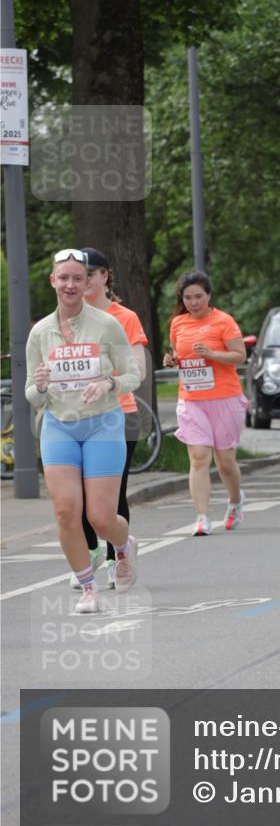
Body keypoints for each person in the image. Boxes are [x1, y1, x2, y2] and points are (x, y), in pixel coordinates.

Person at [25, 248, 141, 614]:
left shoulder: (106, 324)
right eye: (64, 278)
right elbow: (31, 392)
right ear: (53, 282)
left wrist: (109, 383)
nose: (71, 284)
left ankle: (122, 546)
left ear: (88, 281)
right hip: (59, 425)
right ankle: (88, 586)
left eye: (78, 277)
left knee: (100, 517)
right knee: (65, 510)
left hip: (103, 424)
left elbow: (133, 374)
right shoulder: (40, 332)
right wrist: (40, 385)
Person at [69, 247, 149, 591]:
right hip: (75, 418)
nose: (83, 281)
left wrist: (107, 382)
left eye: (90, 274)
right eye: (77, 275)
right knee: (77, 499)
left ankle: (120, 556)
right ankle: (90, 554)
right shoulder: (67, 318)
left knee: (111, 497)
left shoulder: (124, 317)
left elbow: (140, 370)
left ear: (105, 276)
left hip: (119, 415)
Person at [163, 271, 248, 536]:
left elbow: (240, 357)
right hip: (191, 399)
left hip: (224, 398)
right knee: (199, 458)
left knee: (224, 462)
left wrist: (212, 353)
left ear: (209, 296)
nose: (193, 302)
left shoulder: (224, 321)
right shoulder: (178, 323)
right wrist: (173, 360)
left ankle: (235, 502)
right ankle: (201, 517)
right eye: (187, 297)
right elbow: (180, 354)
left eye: (198, 296)